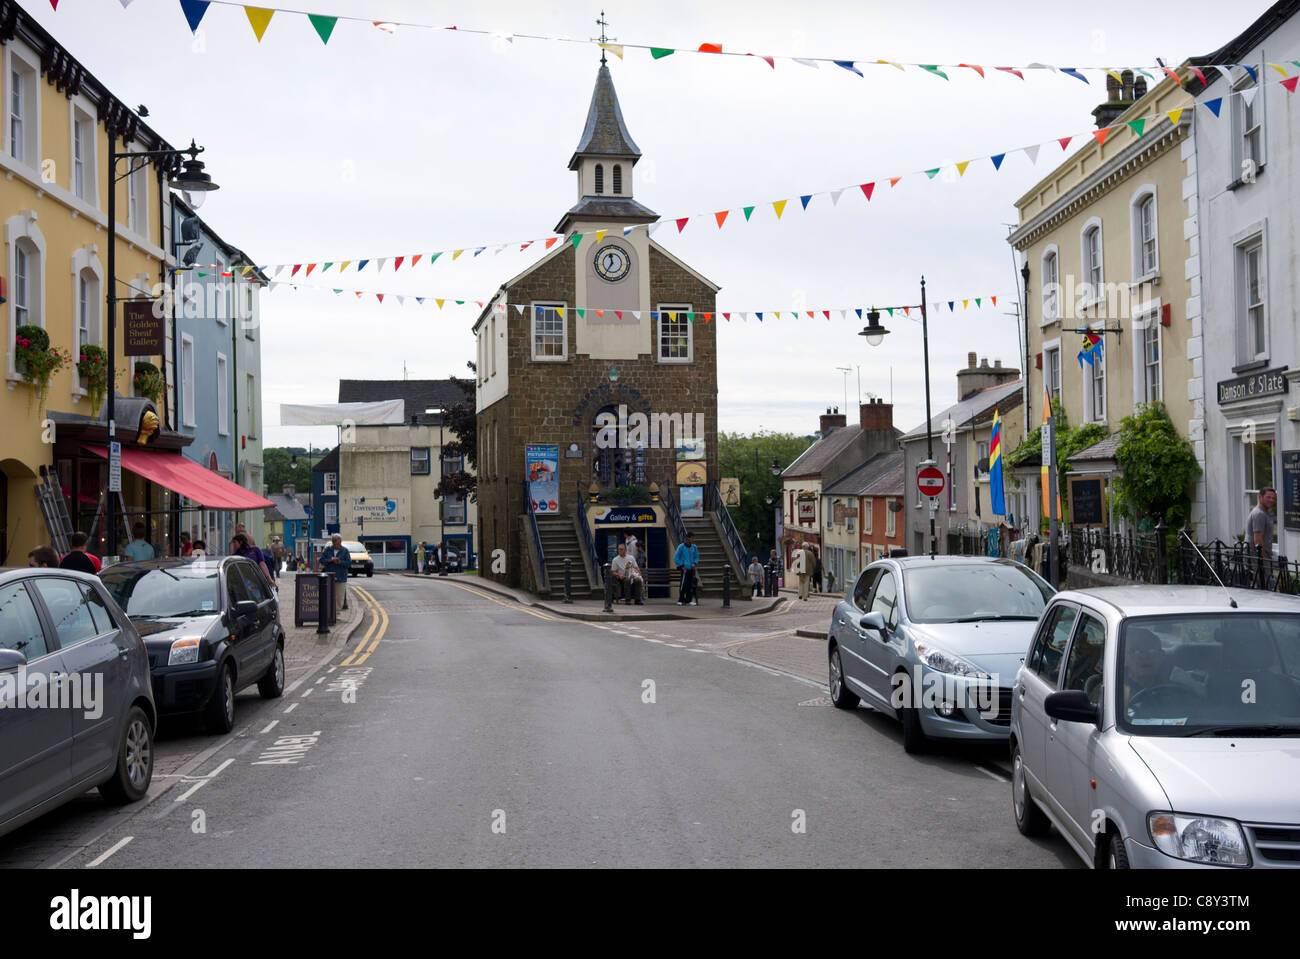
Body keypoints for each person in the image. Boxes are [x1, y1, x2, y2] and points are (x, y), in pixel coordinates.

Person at [320, 533, 351, 615]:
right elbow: (321, 560)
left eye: (339, 543)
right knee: (329, 596)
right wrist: (330, 560)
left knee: (339, 597)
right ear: (333, 543)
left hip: (341, 577)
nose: (338, 545)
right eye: (336, 544)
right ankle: (330, 614)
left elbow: (349, 563)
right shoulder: (328, 550)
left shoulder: (345, 551)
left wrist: (340, 562)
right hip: (329, 577)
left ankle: (336, 614)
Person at [1247, 487, 1276, 556]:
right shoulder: (1259, 514)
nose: (1271, 500)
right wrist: (1264, 558)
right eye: (1268, 497)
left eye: (1273, 498)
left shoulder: (1265, 513)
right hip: (1256, 557)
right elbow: (1258, 539)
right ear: (1260, 497)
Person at [674, 530, 700, 606]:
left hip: (691, 569)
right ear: (687, 538)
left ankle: (689, 600)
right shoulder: (681, 546)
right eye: (692, 538)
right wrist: (682, 565)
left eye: (693, 538)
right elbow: (676, 558)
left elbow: (696, 557)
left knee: (690, 585)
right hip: (684, 569)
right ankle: (681, 600)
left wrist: (695, 563)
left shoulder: (694, 547)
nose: (693, 539)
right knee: (683, 585)